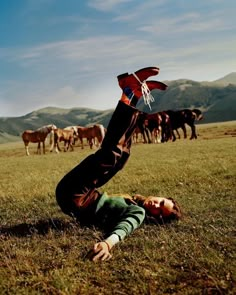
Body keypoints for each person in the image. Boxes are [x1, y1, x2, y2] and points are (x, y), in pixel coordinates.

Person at [55, 66, 182, 262]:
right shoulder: (133, 201)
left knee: (110, 155)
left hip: (76, 197)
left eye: (158, 211)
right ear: (161, 196)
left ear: (154, 218)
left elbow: (125, 227)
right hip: (82, 194)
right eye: (161, 202)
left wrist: (108, 243)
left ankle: (128, 91)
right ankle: (133, 94)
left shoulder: (138, 212)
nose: (155, 205)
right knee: (121, 158)